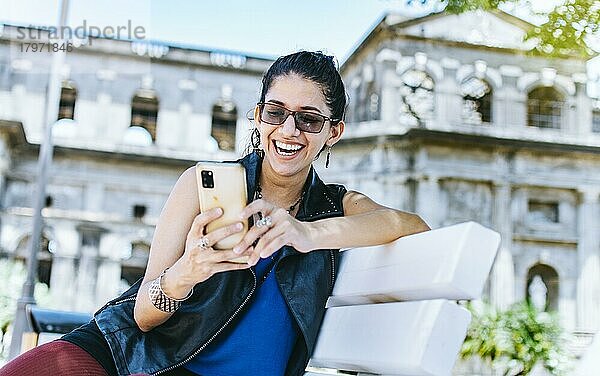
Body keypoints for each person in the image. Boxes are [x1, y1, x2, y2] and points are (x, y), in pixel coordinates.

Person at [0, 51, 430, 376]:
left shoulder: (338, 208)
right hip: (128, 358)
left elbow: (413, 227)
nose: (288, 130)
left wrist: (308, 233)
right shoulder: (199, 184)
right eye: (275, 113)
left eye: (309, 120)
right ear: (258, 118)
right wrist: (186, 273)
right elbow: (143, 316)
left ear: (333, 132)